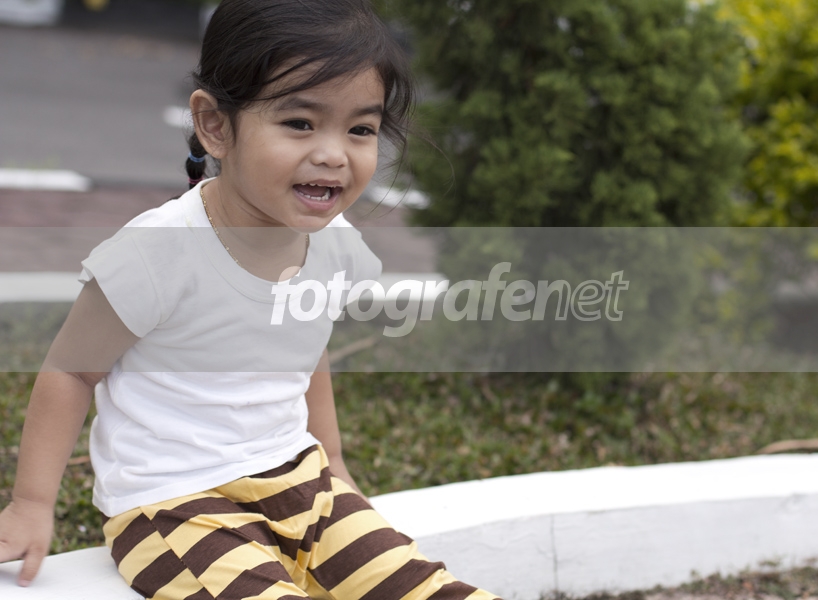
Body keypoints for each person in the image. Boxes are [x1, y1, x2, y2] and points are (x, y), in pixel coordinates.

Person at [0, 1, 501, 598]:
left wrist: (333, 463)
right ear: (215, 125)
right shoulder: (157, 253)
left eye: (360, 129)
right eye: (301, 123)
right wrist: (31, 504)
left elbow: (305, 347)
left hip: (301, 482)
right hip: (173, 504)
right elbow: (70, 372)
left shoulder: (335, 245)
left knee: (426, 588)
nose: (333, 153)